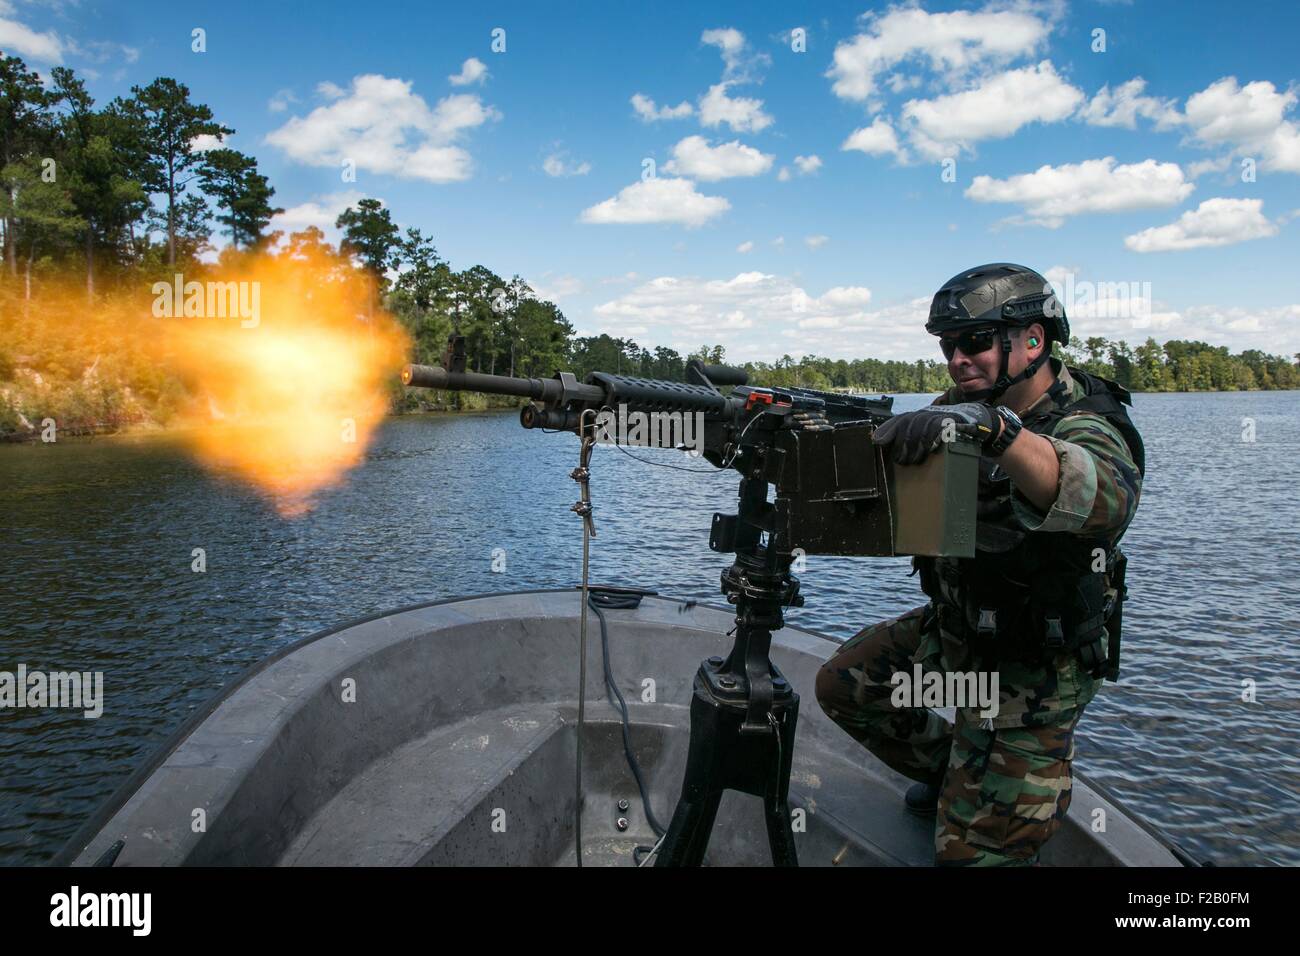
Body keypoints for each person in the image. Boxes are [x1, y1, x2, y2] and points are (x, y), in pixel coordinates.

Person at [814, 262, 1145, 866]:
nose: (958, 359)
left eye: (974, 342)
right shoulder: (959, 404)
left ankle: (1018, 788)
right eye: (949, 346)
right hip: (963, 629)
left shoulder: (1087, 417)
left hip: (1035, 665)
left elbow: (1105, 495)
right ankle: (962, 772)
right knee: (848, 686)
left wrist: (996, 432)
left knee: (971, 858)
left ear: (1033, 341)